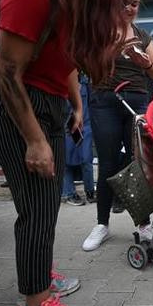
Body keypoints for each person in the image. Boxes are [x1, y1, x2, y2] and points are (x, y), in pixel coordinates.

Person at [0, 0, 148, 306]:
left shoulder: (73, 8)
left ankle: (39, 275)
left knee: (44, 205)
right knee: (38, 206)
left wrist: (75, 106)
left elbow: (68, 63)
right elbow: (7, 72)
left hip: (51, 105)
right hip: (17, 106)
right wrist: (35, 140)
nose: (126, 6)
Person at [83, 0, 153, 252]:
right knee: (107, 163)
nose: (130, 8)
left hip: (137, 102)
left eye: (134, 3)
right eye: (124, 2)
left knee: (139, 163)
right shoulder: (100, 32)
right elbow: (86, 65)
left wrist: (147, 64)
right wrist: (114, 49)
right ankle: (102, 224)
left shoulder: (144, 36)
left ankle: (143, 225)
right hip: (105, 100)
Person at [61, 72, 95, 206]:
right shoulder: (62, 79)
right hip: (67, 125)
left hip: (85, 125)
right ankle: (68, 193)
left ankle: (90, 191)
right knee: (66, 161)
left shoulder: (85, 80)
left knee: (86, 160)